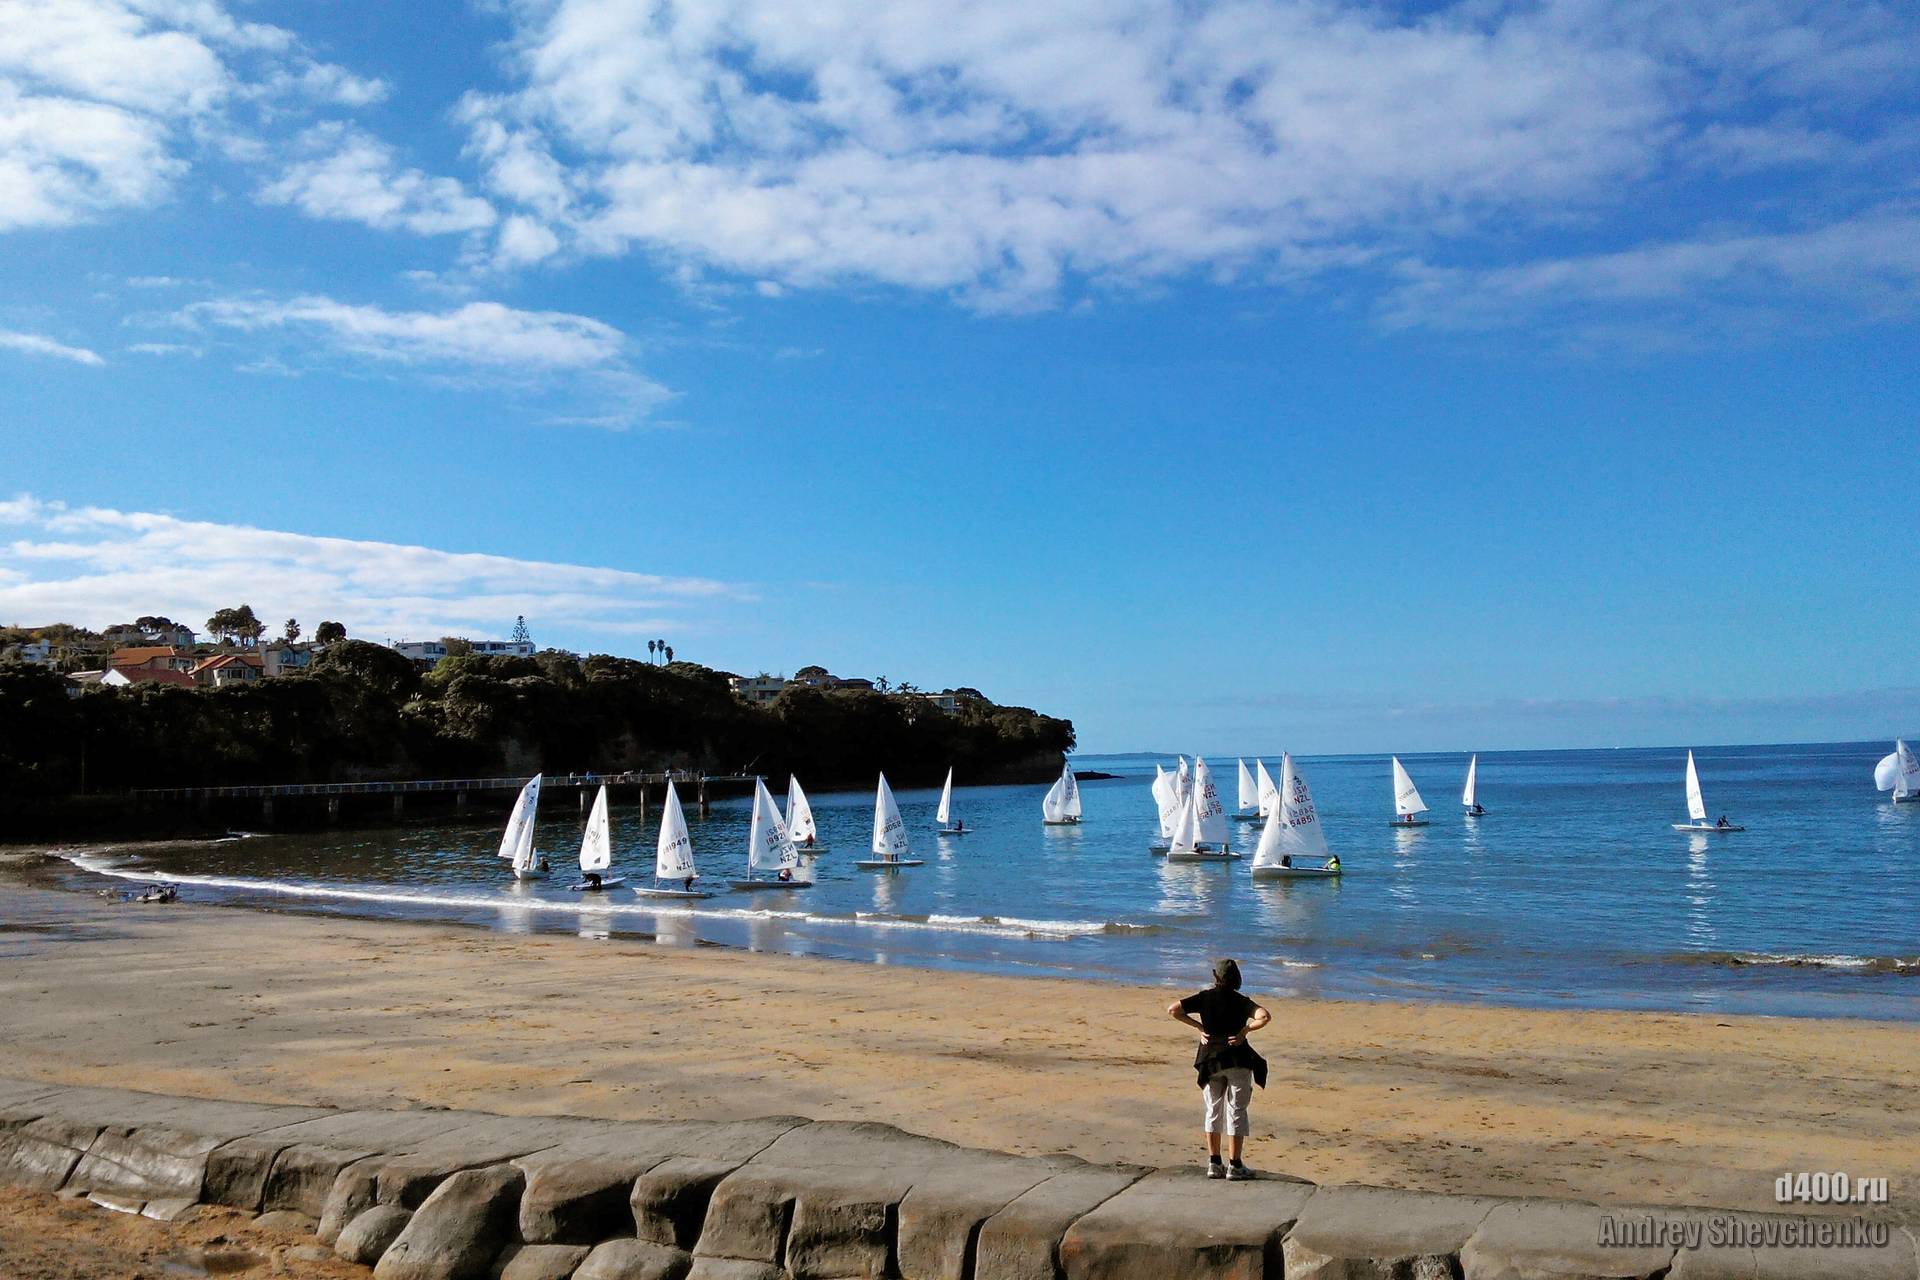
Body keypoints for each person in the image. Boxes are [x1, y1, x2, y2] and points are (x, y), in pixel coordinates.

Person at [1167, 959, 1270, 1181]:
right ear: (1237, 978)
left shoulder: (1205, 997)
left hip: (1210, 1060)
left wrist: (1199, 1027)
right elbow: (1264, 1016)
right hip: (1237, 1060)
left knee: (1213, 1110)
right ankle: (1235, 1165)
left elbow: (1173, 1010)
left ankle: (1214, 1163)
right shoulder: (1242, 1001)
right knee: (1237, 1111)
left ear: (1216, 976)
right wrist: (1244, 1031)